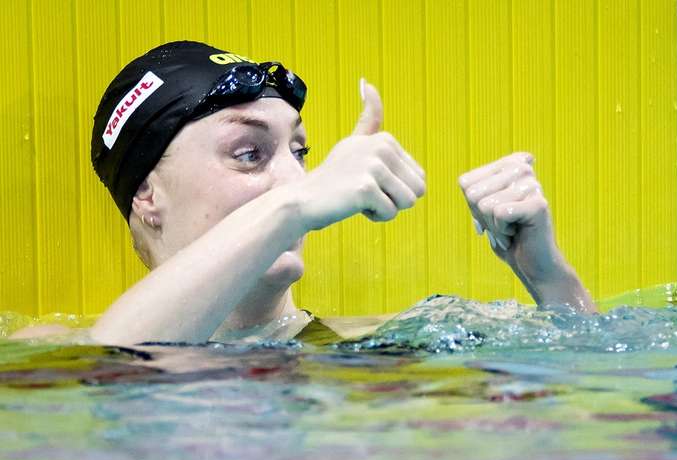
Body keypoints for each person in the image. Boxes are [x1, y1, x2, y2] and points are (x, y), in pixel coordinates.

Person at [11, 41, 594, 345]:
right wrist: (290, 208)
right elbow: (124, 367)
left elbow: (588, 382)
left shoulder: (382, 344)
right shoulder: (40, 350)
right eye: (249, 154)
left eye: (300, 153)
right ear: (147, 195)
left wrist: (548, 278)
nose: (298, 179)